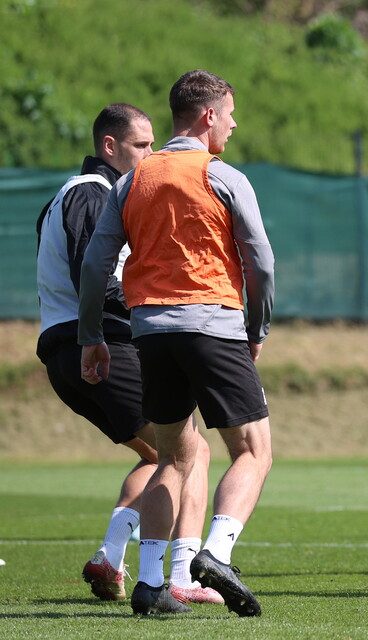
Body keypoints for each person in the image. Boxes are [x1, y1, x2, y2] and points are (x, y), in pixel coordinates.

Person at [77, 70, 275, 617]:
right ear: (208, 115)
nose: (234, 124)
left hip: (149, 333)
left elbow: (97, 264)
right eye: (230, 113)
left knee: (170, 458)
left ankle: (149, 584)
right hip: (212, 323)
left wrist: (91, 335)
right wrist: (257, 328)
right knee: (254, 451)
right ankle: (217, 554)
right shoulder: (223, 175)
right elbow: (260, 260)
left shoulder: (131, 180)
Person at [35, 103, 221, 606]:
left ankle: (111, 556)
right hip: (99, 346)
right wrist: (156, 304)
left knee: (159, 455)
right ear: (109, 146)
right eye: (141, 145)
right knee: (192, 452)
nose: (151, 154)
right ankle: (184, 576)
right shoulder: (93, 194)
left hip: (68, 350)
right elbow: (93, 275)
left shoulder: (64, 197)